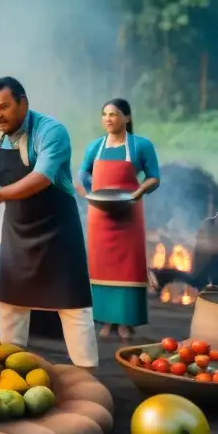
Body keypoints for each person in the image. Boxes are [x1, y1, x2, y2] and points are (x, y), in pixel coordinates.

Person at [0, 76, 98, 370]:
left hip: (58, 230)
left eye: (4, 107)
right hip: (17, 229)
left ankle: (87, 374)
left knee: (73, 306)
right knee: (11, 304)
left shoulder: (51, 132)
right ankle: (11, 370)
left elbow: (40, 179)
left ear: (24, 103)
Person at [77, 98, 160, 341]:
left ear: (127, 118)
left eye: (113, 114)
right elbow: (83, 171)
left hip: (128, 213)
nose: (108, 119)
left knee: (128, 269)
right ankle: (104, 320)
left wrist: (138, 192)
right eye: (104, 114)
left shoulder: (141, 146)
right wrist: (89, 190)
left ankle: (125, 322)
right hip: (100, 216)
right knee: (100, 267)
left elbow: (154, 177)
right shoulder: (95, 147)